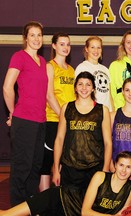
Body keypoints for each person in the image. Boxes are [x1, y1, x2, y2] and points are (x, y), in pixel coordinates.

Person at [0, 151, 131, 216]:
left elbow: (121, 214)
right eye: (121, 165)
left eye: (128, 167)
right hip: (60, 198)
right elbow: (85, 211)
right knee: (7, 215)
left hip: (69, 214)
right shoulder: (100, 176)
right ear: (114, 165)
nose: (124, 170)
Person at [2, 21, 48, 206]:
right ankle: (16, 207)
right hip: (24, 120)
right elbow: (7, 87)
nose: (37, 38)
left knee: (35, 167)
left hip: (40, 121)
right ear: (25, 38)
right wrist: (13, 113)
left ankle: (28, 206)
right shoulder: (19, 56)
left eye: (39, 35)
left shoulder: (42, 61)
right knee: (22, 167)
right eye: (33, 35)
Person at [52, 72, 112, 190]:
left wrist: (105, 170)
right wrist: (55, 169)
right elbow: (59, 139)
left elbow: (108, 143)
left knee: (91, 206)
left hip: (95, 167)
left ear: (93, 88)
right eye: (80, 84)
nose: (84, 88)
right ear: (75, 87)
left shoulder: (103, 110)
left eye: (88, 84)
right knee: (69, 207)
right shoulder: (66, 107)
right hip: (70, 168)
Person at [39, 32, 76, 192]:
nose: (65, 47)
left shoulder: (71, 70)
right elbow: (48, 94)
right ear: (54, 46)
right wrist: (63, 115)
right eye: (62, 44)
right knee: (46, 163)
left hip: (67, 121)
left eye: (68, 44)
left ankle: (57, 199)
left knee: (61, 161)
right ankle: (44, 201)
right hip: (53, 119)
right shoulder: (49, 66)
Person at [75, 36, 113, 111]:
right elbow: (78, 93)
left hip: (107, 113)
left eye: (98, 47)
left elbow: (109, 95)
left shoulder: (105, 69)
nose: (96, 50)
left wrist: (112, 112)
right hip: (91, 113)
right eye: (92, 47)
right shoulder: (82, 67)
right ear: (86, 49)